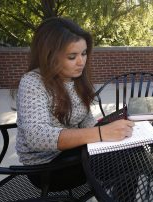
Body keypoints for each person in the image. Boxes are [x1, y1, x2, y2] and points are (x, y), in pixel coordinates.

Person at [15, 17, 134, 191]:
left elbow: (87, 123)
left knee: (129, 147)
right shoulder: (33, 82)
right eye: (72, 56)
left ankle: (152, 172)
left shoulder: (76, 80)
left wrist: (111, 129)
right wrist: (101, 133)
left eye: (84, 53)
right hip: (47, 168)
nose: (81, 62)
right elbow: (37, 137)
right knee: (127, 163)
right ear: (50, 56)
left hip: (75, 153)